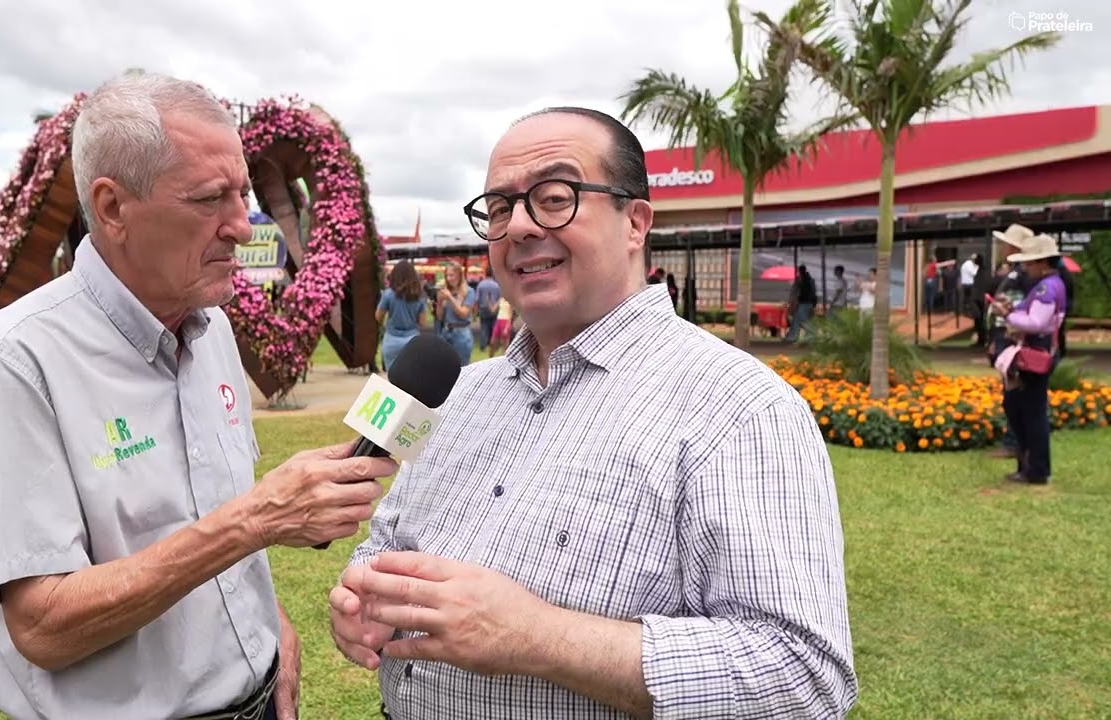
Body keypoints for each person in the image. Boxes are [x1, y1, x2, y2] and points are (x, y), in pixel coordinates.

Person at [329, 107, 856, 719]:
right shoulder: (457, 391)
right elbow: (386, 540)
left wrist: (537, 637)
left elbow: (803, 677)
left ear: (635, 223)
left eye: (554, 198)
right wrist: (364, 596)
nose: (518, 226)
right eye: (498, 209)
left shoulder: (740, 408)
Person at [0, 70, 397, 720]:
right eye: (209, 199)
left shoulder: (212, 330)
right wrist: (256, 520)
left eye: (242, 193)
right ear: (113, 208)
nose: (243, 226)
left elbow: (209, 516)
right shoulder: (14, 363)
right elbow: (42, 627)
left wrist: (270, 629)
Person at [991, 234, 1068, 485]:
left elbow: (1036, 323)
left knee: (1031, 412)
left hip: (1035, 352)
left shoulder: (1047, 288)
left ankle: (1036, 469)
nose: (1025, 267)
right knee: (1018, 406)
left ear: (1042, 262)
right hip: (1033, 350)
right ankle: (1028, 465)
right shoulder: (1047, 285)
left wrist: (1008, 315)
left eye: (1029, 262)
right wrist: (1014, 311)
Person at [377, 260, 428, 371]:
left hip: (391, 339)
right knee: (412, 376)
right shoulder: (419, 296)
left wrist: (385, 324)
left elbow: (378, 317)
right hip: (412, 339)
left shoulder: (388, 294)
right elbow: (422, 323)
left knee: (392, 377)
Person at [436, 262, 474, 365]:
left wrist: (450, 298)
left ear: (459, 275)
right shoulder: (446, 291)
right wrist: (439, 302)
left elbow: (463, 314)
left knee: (462, 367)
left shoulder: (469, 292)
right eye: (447, 275)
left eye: (451, 275)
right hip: (446, 332)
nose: (448, 278)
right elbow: (439, 317)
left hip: (461, 334)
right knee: (444, 366)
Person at [784, 264, 817, 342]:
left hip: (803, 303)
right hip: (809, 303)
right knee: (798, 320)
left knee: (802, 320)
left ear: (800, 271)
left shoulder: (801, 280)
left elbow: (796, 292)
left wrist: (793, 302)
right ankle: (793, 336)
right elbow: (813, 292)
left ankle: (809, 336)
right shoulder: (810, 280)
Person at [473, 264, 500, 351]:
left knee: (484, 327)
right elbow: (500, 298)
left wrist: (475, 313)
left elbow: (476, 299)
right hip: (495, 308)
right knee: (494, 327)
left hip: (483, 308)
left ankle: (483, 345)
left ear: (485, 273)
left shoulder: (481, 285)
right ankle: (493, 344)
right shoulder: (497, 285)